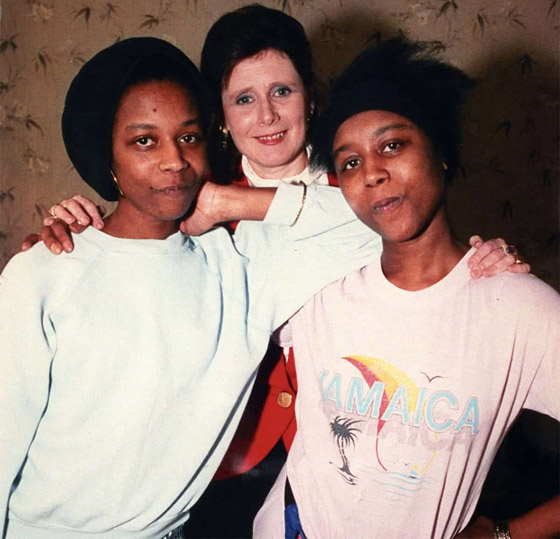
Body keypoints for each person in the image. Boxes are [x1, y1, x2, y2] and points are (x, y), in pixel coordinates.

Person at [1, 36, 385, 539]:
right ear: (107, 155)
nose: (174, 161)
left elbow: (373, 221)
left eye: (188, 137)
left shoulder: (241, 266)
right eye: (144, 141)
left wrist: (231, 202)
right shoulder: (46, 271)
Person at [252, 37, 559, 539]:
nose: (372, 172)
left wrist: (509, 533)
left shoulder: (518, 310)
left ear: (441, 153)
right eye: (350, 162)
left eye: (392, 145)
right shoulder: (318, 286)